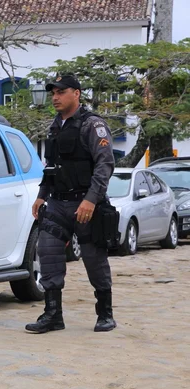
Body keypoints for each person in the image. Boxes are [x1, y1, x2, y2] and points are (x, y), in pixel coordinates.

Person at [26, 74, 117, 334]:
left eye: (61, 92)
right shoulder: (56, 126)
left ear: (76, 93)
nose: (55, 97)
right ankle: (53, 314)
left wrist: (91, 199)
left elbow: (105, 164)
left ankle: (105, 314)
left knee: (93, 257)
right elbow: (52, 166)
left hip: (86, 203)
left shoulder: (93, 125)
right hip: (57, 203)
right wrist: (42, 194)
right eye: (53, 92)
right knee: (48, 252)